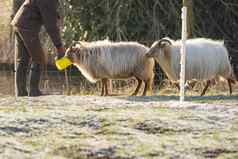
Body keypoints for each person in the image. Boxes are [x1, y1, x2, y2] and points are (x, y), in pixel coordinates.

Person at [11, 0, 65, 96]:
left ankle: (21, 93)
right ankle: (34, 91)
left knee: (23, 59)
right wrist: (59, 47)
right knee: (39, 58)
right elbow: (50, 26)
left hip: (19, 23)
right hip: (26, 27)